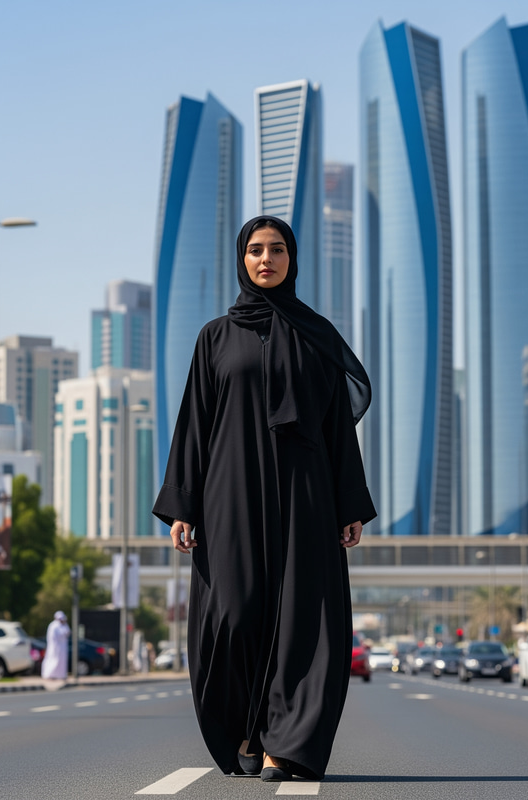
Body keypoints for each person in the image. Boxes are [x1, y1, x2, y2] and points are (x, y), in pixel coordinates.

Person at [153, 216, 376, 782]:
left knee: (303, 617)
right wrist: (182, 504)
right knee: (233, 611)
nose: (266, 259)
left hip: (305, 492)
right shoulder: (215, 337)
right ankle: (246, 730)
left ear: (291, 260)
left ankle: (284, 744)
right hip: (229, 491)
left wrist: (349, 503)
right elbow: (194, 424)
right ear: (242, 259)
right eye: (255, 250)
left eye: (277, 249)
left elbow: (336, 429)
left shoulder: (317, 335)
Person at [40, 610, 71, 680]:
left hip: (62, 647)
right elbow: (57, 636)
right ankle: (50, 675)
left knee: (61, 661)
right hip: (55, 647)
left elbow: (68, 632)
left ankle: (61, 675)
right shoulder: (53, 625)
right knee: (53, 660)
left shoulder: (64, 625)